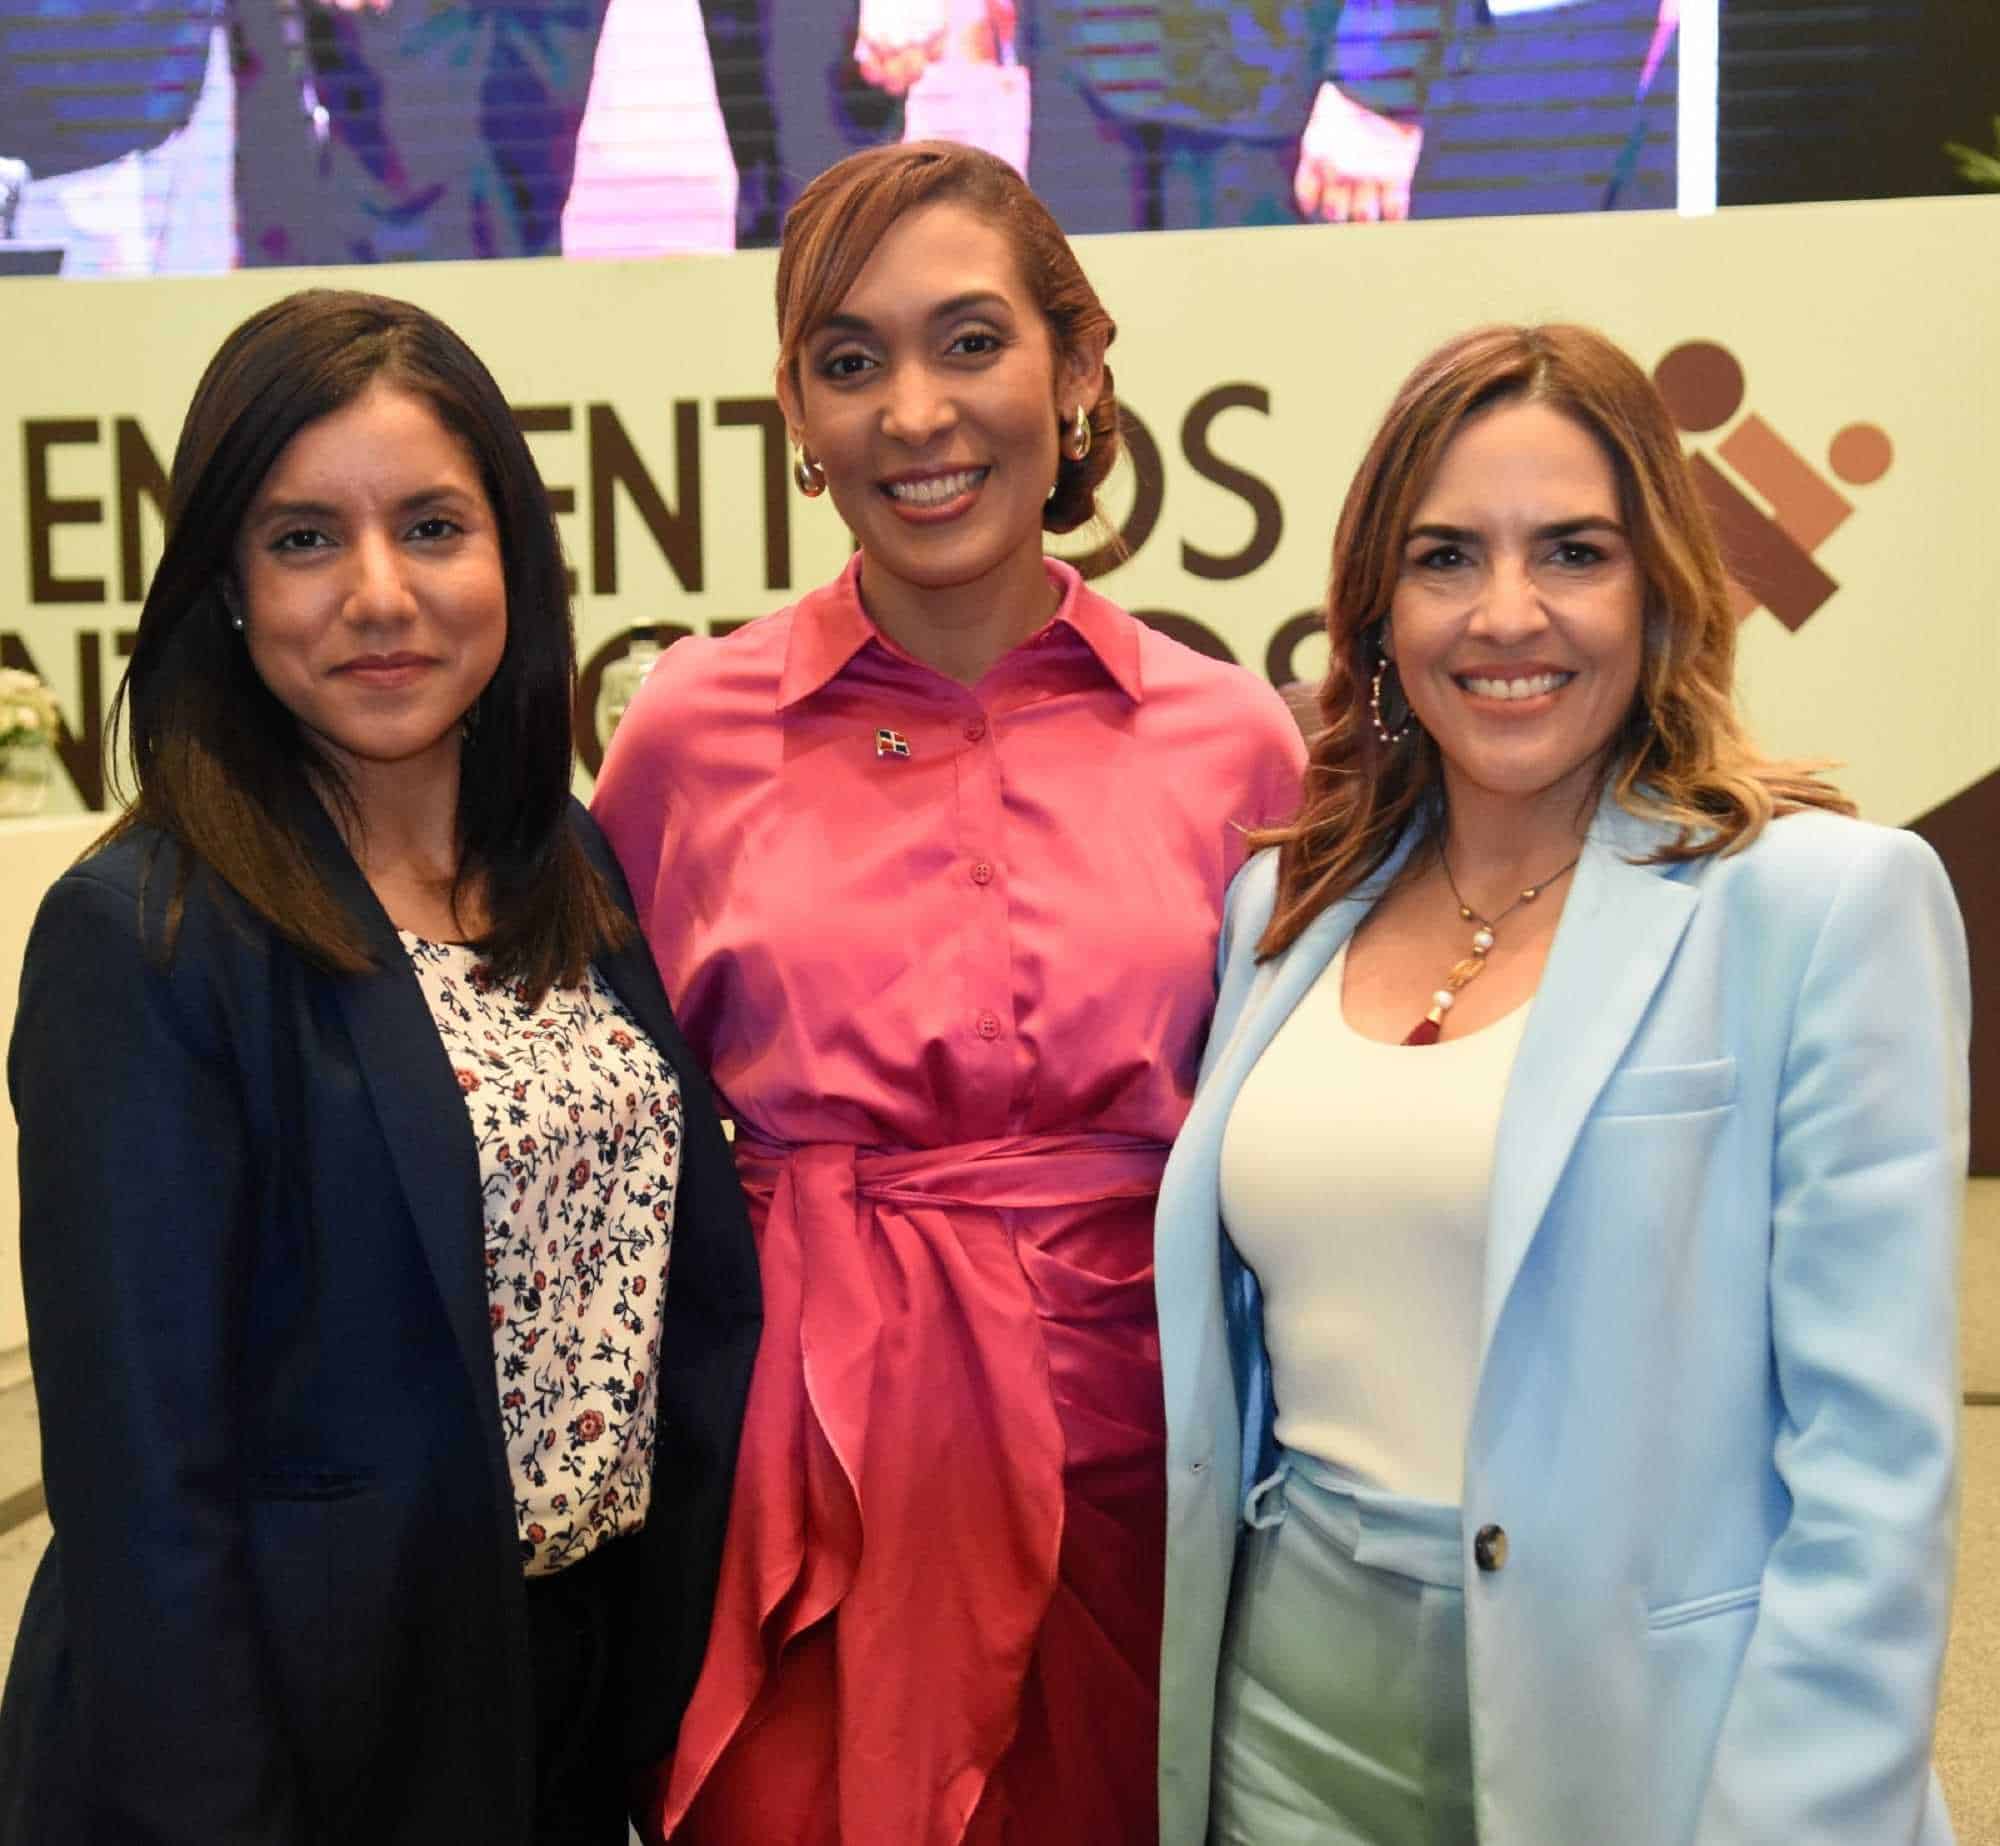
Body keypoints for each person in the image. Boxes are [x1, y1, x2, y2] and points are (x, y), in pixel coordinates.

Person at [1154, 323, 1967, 1845]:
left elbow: (1874, 1481)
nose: (1506, 614)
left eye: (1573, 551)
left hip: (1652, 1749)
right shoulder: (1281, 914)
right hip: (1286, 1725)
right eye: (1447, 556)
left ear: (1658, 589)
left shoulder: (1821, 906)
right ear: (1378, 610)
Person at [592, 139, 1305, 1843]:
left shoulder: (1233, 741)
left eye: (971, 341)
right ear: (799, 414)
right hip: (805, 1493)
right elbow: (618, 1152)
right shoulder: (690, 734)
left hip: (1143, 1475)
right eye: (852, 361)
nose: (916, 411)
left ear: (1077, 367)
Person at [0, 288, 761, 1844]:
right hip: (283, 1745)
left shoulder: (568, 862)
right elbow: (150, 1505)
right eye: (301, 539)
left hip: (554, 1698)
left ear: (512, 559)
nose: (378, 595)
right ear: (221, 578)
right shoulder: (137, 938)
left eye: (431, 526)